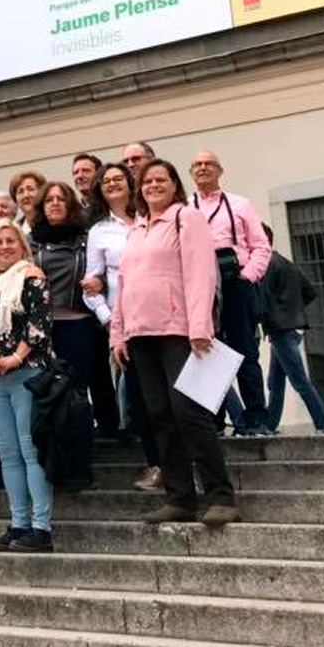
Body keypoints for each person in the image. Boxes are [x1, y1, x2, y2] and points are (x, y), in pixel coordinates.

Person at [110, 159, 237, 527]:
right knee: (160, 417)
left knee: (189, 413)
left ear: (174, 184)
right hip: (141, 335)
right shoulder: (136, 230)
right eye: (147, 181)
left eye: (160, 179)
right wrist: (119, 332)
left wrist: (200, 325)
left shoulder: (186, 218)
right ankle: (180, 498)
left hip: (180, 331)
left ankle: (221, 495)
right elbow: (124, 285)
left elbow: (201, 273)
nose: (153, 185)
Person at [0, 220, 56, 553]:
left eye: (11, 241)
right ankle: (18, 523)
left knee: (29, 449)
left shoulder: (33, 278)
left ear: (22, 245)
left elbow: (39, 327)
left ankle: (41, 527)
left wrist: (13, 359)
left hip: (27, 375)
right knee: (7, 454)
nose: (4, 246)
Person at [83, 163, 162, 491]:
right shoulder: (99, 231)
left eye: (119, 179)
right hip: (126, 325)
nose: (113, 184)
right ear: (100, 190)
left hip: (165, 316)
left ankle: (184, 461)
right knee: (142, 399)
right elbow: (90, 285)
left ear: (131, 184)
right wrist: (108, 318)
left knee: (174, 397)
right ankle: (157, 464)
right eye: (106, 181)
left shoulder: (151, 217)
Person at [189, 150, 273, 435]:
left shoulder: (240, 204)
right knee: (207, 351)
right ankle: (213, 420)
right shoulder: (185, 208)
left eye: (208, 164)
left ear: (220, 170)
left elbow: (261, 246)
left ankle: (256, 417)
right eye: (197, 165)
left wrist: (247, 277)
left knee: (245, 350)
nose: (203, 169)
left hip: (235, 282)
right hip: (200, 286)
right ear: (191, 172)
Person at [29, 181, 100, 488]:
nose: (55, 203)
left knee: (75, 398)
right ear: (41, 207)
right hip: (42, 329)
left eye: (61, 199)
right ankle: (50, 466)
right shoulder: (30, 243)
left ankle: (79, 467)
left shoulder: (86, 239)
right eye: (49, 200)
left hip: (78, 325)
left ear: (70, 205)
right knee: (44, 399)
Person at [259, 224, 324, 433]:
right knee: (275, 381)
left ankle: (323, 425)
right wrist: (292, 311)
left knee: (299, 381)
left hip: (281, 330)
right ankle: (270, 426)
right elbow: (309, 291)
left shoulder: (267, 264)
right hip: (291, 328)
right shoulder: (285, 262)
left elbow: (262, 300)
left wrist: (274, 314)